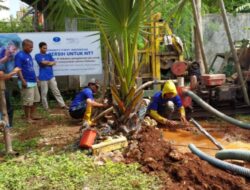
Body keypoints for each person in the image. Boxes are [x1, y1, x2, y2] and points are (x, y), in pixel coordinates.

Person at [35, 42, 68, 110]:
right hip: (43, 77)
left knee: (56, 91)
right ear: (40, 48)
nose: (45, 49)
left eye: (46, 48)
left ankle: (63, 105)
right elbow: (42, 63)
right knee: (44, 94)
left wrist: (47, 62)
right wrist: (49, 62)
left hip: (51, 76)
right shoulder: (37, 55)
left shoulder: (49, 55)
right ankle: (46, 108)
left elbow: (54, 62)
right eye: (44, 48)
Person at [15, 39, 41, 123]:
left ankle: (32, 115)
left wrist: (36, 78)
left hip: (33, 80)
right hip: (26, 81)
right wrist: (22, 80)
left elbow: (30, 68)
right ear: (24, 46)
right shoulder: (19, 55)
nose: (32, 49)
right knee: (28, 101)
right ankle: (27, 118)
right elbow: (18, 69)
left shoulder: (29, 55)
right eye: (30, 47)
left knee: (36, 99)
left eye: (32, 47)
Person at [0, 67, 21, 154]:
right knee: (6, 112)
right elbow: (1, 76)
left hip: (2, 91)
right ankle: (5, 125)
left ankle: (7, 127)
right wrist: (14, 72)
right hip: (1, 91)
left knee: (7, 112)